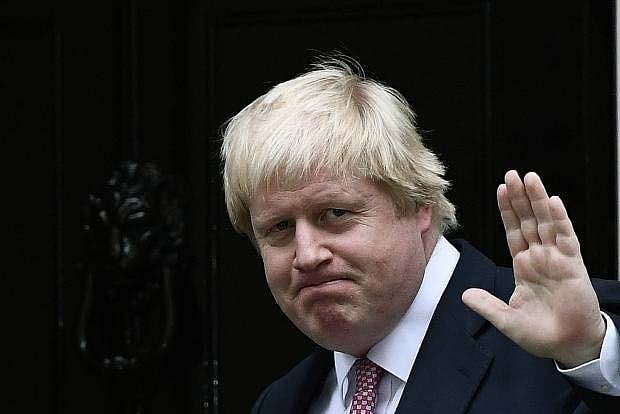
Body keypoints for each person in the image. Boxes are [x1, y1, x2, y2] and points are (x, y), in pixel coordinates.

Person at [220, 58, 620, 413]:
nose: (307, 255)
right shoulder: (280, 401)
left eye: (335, 214)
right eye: (280, 228)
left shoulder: (578, 346)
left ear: (418, 203)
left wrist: (588, 360)